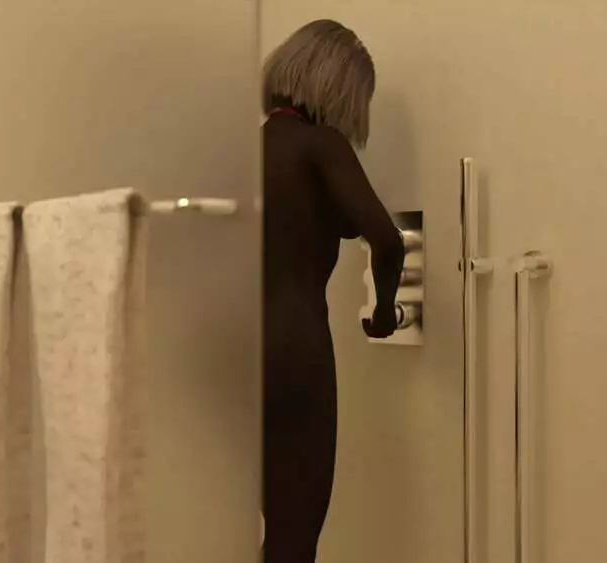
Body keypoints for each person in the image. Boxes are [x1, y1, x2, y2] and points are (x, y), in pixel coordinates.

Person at [261, 19, 406, 563]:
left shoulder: (242, 148)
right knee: (294, 533)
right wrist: (385, 310)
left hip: (231, 352)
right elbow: (386, 241)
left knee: (232, 524)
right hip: (295, 347)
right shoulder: (321, 146)